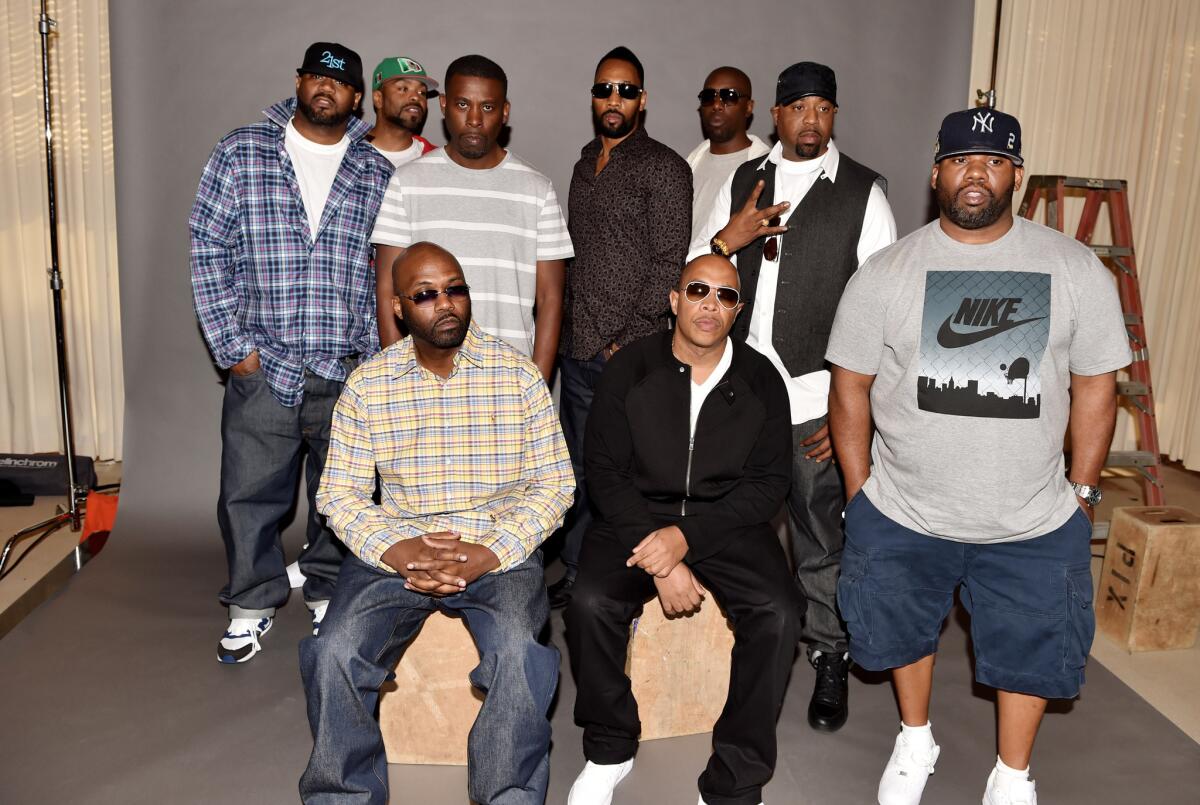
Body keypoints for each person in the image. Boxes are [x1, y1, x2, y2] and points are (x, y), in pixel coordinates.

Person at [826, 108, 1129, 805]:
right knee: (900, 628)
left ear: (1014, 175)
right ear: (936, 172)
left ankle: (1012, 772)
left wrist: (1082, 494)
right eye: (961, 159)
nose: (975, 174)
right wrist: (860, 493)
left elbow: (1096, 387)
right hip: (904, 509)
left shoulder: (1074, 268)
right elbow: (850, 386)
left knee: (1029, 647)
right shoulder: (887, 271)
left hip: (1031, 515)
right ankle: (914, 736)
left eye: (992, 161)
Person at [300, 242, 574, 805]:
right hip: (398, 549)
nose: (445, 304)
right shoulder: (369, 385)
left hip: (497, 547)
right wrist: (400, 550)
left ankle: (509, 796)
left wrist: (490, 553)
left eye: (455, 289)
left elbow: (555, 483)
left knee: (521, 652)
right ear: (399, 307)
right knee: (333, 652)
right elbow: (341, 493)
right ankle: (342, 797)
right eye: (426, 294)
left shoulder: (517, 376)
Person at [691, 61, 897, 731]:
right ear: (775, 116)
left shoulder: (863, 191)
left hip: (818, 396)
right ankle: (723, 652)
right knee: (725, 528)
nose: (811, 120)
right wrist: (732, 238)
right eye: (798, 107)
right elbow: (699, 272)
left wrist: (850, 412)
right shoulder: (744, 181)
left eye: (823, 108)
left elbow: (883, 315)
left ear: (834, 116)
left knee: (818, 537)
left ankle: (828, 655)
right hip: (742, 394)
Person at [565, 255, 802, 805]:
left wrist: (688, 538)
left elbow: (769, 484)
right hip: (635, 516)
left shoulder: (762, 377)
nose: (710, 305)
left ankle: (736, 778)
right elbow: (603, 471)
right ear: (674, 300)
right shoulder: (630, 368)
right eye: (698, 290)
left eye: (725, 296)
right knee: (590, 603)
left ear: (737, 310)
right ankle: (609, 746)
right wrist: (664, 558)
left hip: (728, 520)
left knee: (779, 611)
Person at [189, 41, 392, 664]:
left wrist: (374, 360)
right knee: (248, 494)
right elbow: (207, 247)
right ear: (300, 82)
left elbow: (384, 269)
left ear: (357, 98)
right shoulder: (243, 150)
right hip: (265, 362)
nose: (326, 89)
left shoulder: (375, 170)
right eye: (315, 77)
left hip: (345, 366)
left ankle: (328, 590)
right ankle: (251, 603)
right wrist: (233, 348)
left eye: (340, 83)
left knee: (341, 496)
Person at [551, 45, 692, 607]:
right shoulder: (585, 164)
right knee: (578, 470)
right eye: (605, 89)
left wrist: (622, 346)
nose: (614, 99)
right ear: (593, 96)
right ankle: (578, 568)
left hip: (624, 355)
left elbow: (667, 265)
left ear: (643, 100)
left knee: (619, 475)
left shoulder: (665, 167)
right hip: (575, 347)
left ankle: (612, 580)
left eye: (626, 90)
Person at [372, 55, 572, 380]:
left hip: (509, 382)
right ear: (445, 105)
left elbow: (550, 300)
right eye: (463, 104)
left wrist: (537, 388)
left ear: (505, 111)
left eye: (488, 107)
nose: (475, 119)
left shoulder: (537, 189)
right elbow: (386, 290)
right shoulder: (407, 183)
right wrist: (398, 381)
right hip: (426, 383)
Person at [685, 66, 771, 251]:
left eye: (729, 96)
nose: (717, 105)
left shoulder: (767, 169)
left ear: (748, 107)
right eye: (709, 97)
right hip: (684, 277)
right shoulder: (690, 163)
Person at [364, 56, 438, 168]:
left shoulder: (437, 159)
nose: (416, 97)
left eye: (422, 92)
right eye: (403, 88)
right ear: (378, 99)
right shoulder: (347, 152)